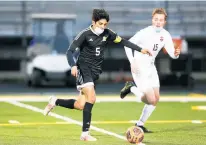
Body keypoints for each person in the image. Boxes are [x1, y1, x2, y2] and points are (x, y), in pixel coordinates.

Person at [43, 9, 151, 141]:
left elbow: (123, 41)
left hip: (95, 71)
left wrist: (140, 49)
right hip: (83, 68)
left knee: (81, 105)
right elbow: (70, 52)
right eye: (100, 24)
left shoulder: (108, 33)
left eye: (105, 24)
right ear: (93, 22)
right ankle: (85, 134)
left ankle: (55, 101)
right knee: (92, 98)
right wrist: (73, 65)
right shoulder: (85, 34)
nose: (103, 27)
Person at [120, 8, 180, 133]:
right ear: (152, 20)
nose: (158, 22)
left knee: (156, 99)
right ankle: (131, 87)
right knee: (151, 99)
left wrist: (176, 54)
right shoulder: (145, 32)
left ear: (165, 22)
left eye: (161, 20)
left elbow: (172, 54)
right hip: (139, 67)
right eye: (156, 19)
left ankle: (140, 124)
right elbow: (127, 44)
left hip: (151, 67)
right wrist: (133, 61)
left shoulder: (165, 35)